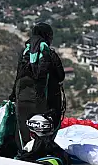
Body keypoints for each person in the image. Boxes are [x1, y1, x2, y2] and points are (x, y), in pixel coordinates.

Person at [11, 23, 65, 156]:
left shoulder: (25, 54)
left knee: (24, 128)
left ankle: (24, 152)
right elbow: (61, 76)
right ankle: (40, 153)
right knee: (41, 128)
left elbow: (18, 76)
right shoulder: (49, 54)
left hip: (22, 100)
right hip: (41, 101)